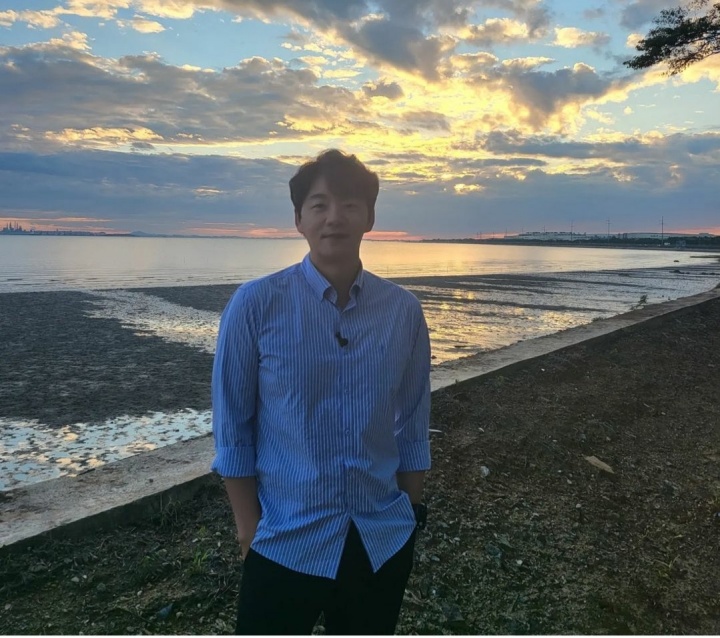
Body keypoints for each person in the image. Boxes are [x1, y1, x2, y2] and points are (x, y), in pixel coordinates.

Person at [211, 149, 431, 635]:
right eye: (319, 205)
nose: (335, 217)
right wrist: (248, 530)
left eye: (350, 204)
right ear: (299, 219)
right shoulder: (255, 305)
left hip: (380, 539)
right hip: (284, 539)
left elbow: (413, 424)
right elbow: (232, 430)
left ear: (370, 218)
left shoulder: (403, 311)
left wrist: (411, 515)